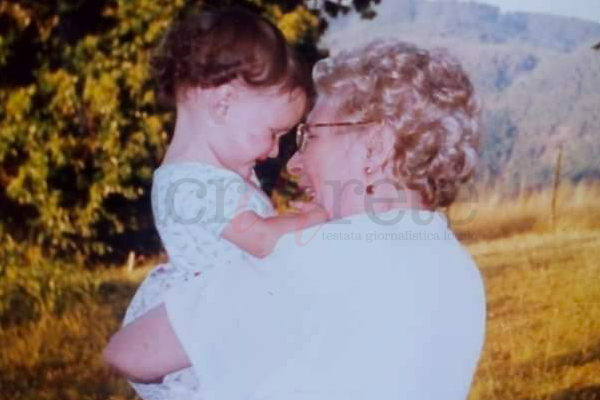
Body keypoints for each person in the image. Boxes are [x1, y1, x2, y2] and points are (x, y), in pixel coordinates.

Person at [104, 39, 486, 400]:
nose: (293, 162)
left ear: (375, 145)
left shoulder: (314, 260)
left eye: (310, 136)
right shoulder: (457, 268)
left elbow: (128, 354)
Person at [112, 8, 327, 400]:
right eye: (273, 133)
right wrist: (315, 220)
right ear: (224, 103)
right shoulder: (190, 183)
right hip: (208, 330)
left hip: (227, 317)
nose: (274, 150)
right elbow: (260, 239)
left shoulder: (214, 174)